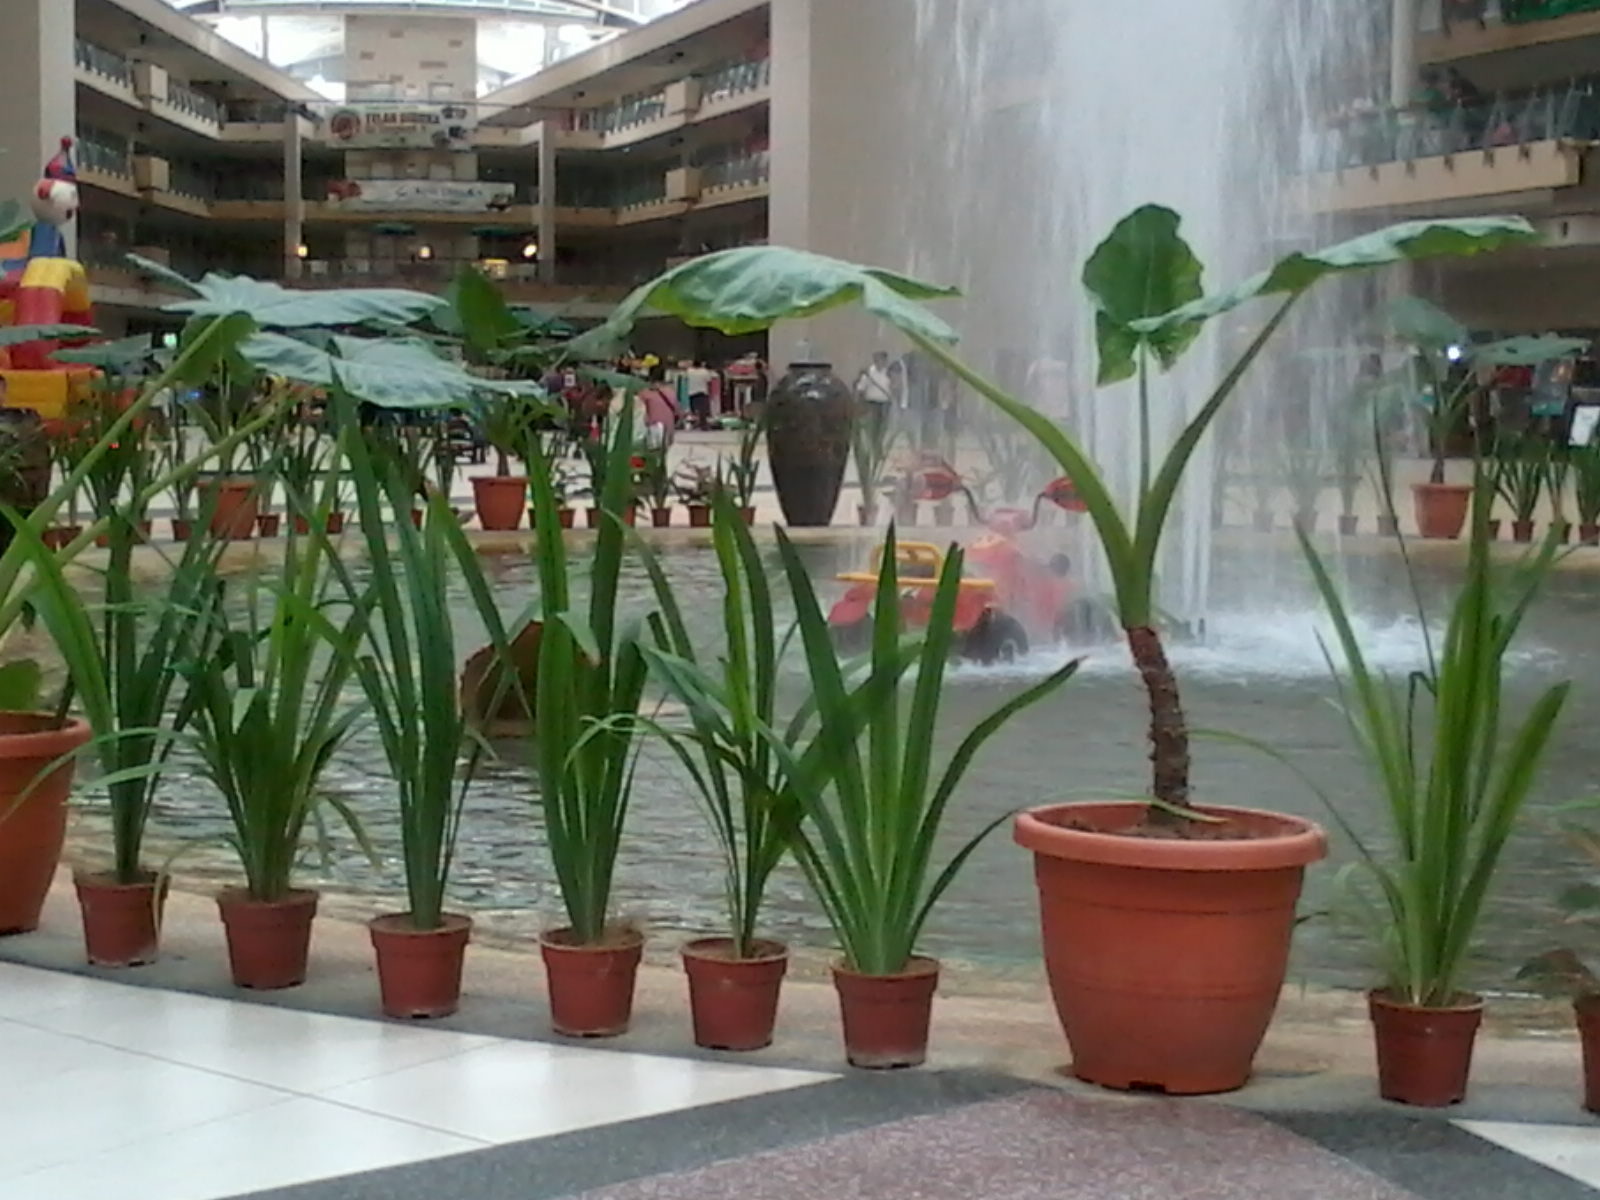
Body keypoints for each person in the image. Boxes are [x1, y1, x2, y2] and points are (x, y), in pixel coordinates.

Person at [853, 351, 898, 446]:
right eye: (877, 360)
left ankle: (878, 444)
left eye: (882, 361)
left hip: (885, 404)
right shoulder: (869, 373)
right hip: (872, 404)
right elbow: (861, 388)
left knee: (883, 427)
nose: (879, 363)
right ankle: (874, 445)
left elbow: (894, 388)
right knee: (873, 427)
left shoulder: (888, 373)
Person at [638, 365, 679, 451]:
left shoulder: (645, 393)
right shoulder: (671, 392)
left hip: (652, 428)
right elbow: (677, 411)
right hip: (668, 429)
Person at [683, 359, 718, 430]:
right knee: (702, 411)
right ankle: (703, 424)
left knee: (693, 410)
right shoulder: (704, 371)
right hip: (702, 392)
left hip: (692, 392)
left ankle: (694, 424)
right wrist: (709, 392)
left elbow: (685, 379)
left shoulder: (689, 371)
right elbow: (709, 381)